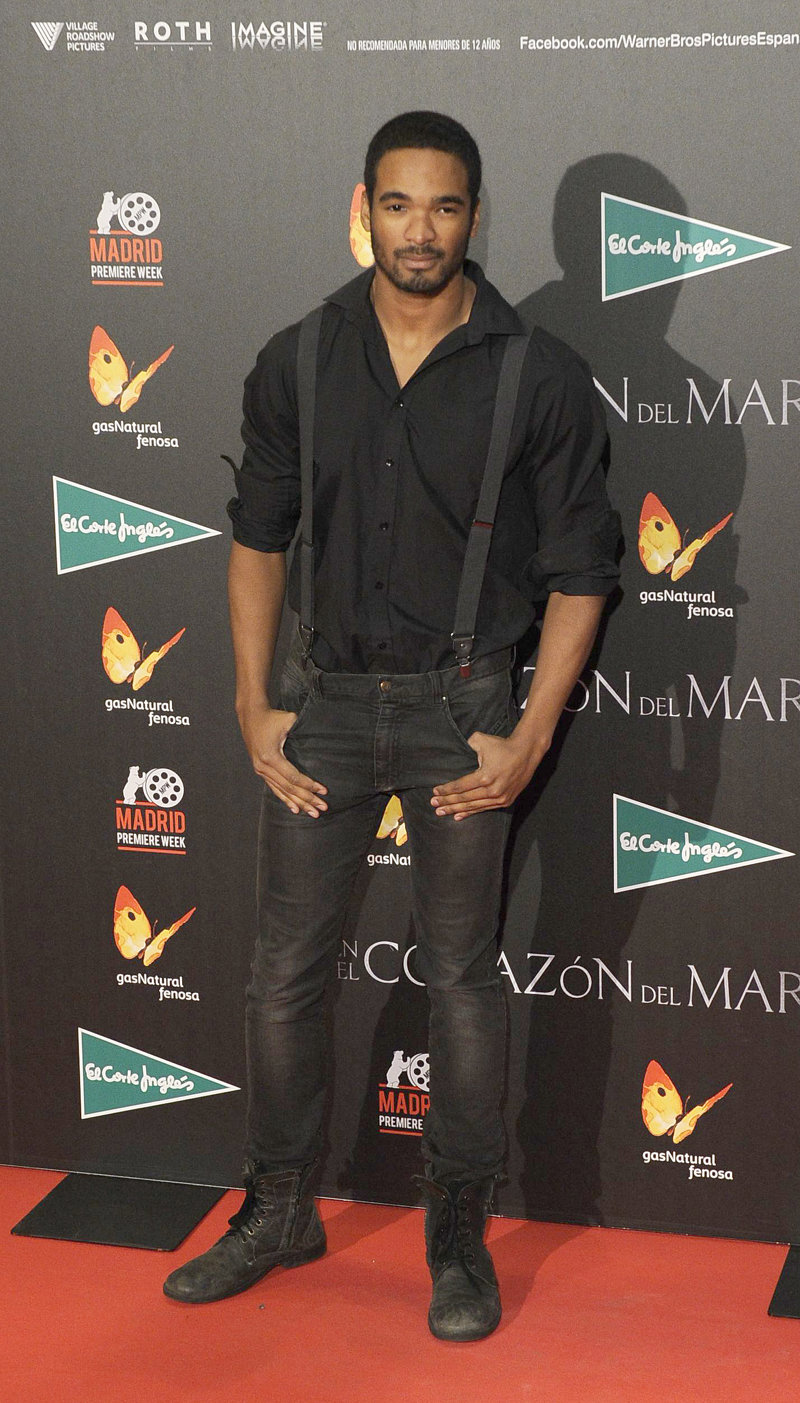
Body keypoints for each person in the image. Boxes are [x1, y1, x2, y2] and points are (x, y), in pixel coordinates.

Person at [163, 110, 621, 1341]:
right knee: (281, 975)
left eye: (445, 206)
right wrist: (250, 700)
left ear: (476, 216)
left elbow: (582, 572)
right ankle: (277, 1208)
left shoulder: (538, 372)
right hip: (321, 704)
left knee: (462, 980)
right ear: (362, 209)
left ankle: (455, 1233)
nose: (421, 231)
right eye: (399, 204)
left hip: (464, 711)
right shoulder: (297, 358)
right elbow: (257, 538)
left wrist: (528, 735)